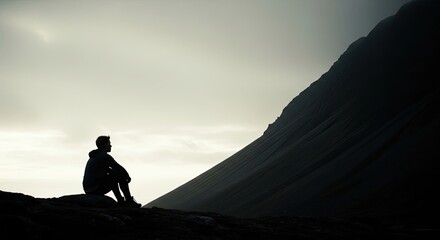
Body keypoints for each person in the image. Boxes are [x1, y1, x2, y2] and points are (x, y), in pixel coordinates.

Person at [82, 135, 141, 208]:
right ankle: (128, 201)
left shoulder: (94, 157)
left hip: (88, 189)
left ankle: (121, 200)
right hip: (95, 189)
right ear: (104, 145)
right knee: (117, 174)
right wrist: (127, 176)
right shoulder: (104, 156)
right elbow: (119, 168)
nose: (111, 146)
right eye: (109, 144)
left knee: (113, 173)